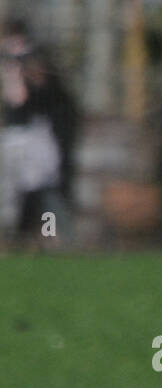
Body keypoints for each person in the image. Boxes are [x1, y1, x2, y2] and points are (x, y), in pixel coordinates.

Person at [1, 18, 76, 245]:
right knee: (27, 188)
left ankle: (48, 234)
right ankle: (32, 235)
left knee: (37, 187)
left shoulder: (30, 58)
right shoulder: (19, 58)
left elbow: (44, 91)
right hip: (23, 132)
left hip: (30, 132)